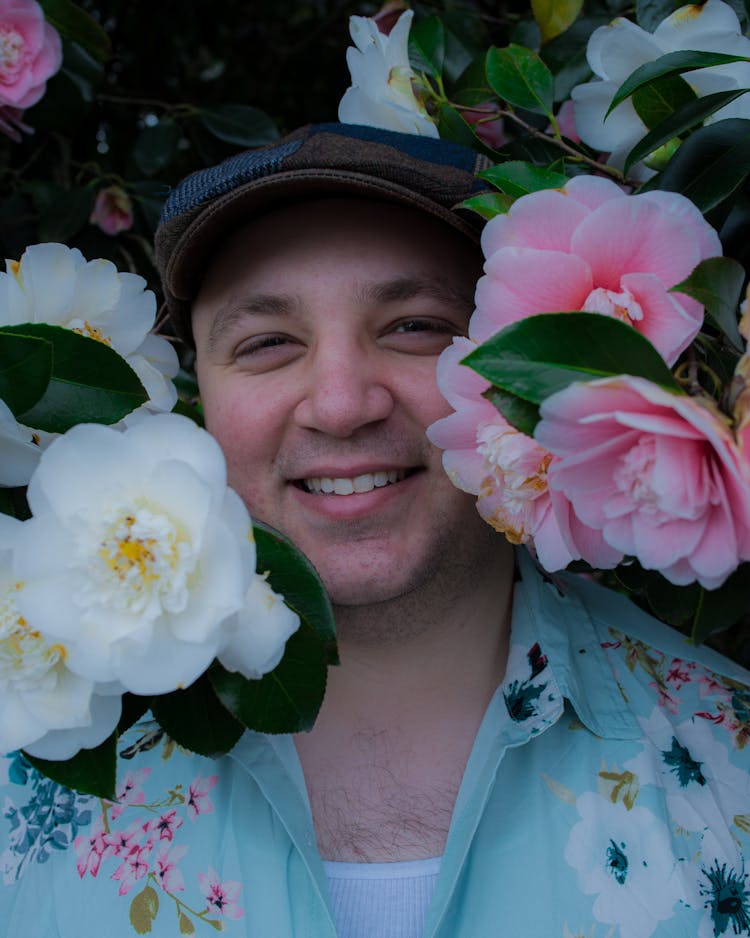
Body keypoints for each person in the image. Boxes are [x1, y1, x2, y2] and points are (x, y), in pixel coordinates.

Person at [1, 122, 749, 938]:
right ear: (197, 405)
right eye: (268, 343)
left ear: (531, 363)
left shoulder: (730, 767)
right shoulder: (23, 809)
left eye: (414, 326)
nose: (341, 403)